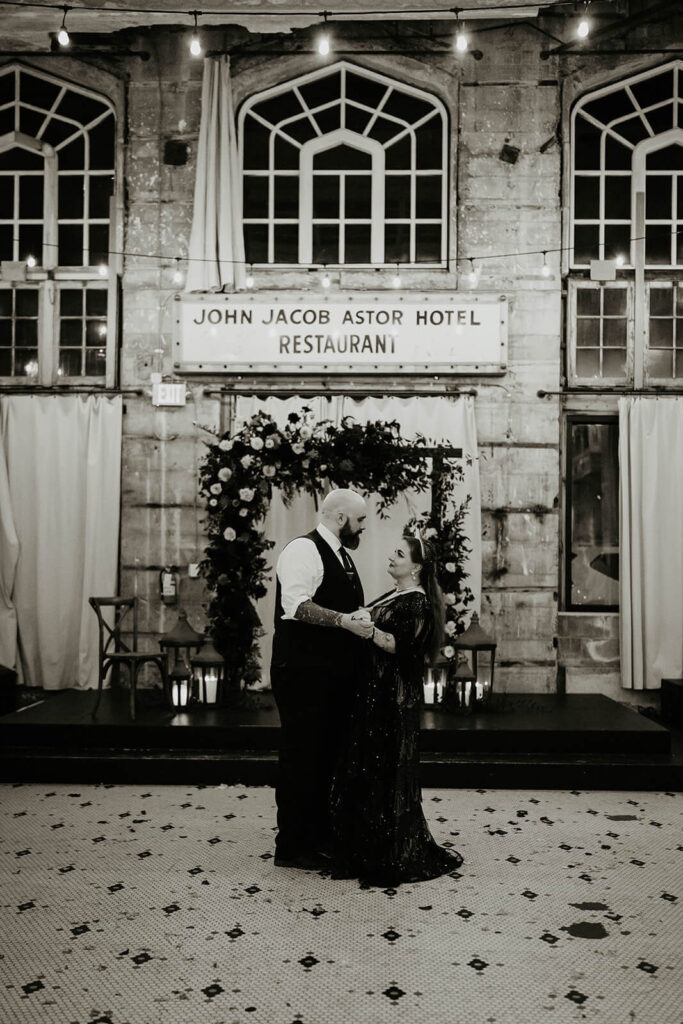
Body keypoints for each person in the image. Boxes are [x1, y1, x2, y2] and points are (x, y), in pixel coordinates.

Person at [330, 532, 464, 886]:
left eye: (400, 554)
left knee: (384, 770)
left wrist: (367, 629)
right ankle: (363, 847)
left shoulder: (417, 603)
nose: (392, 557)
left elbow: (402, 647)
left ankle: (383, 853)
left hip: (391, 697)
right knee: (370, 767)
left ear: (416, 568)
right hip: (374, 692)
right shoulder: (398, 594)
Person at [270, 487, 374, 870]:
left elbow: (338, 601)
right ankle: (293, 846)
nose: (364, 526)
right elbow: (296, 606)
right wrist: (345, 621)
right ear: (342, 518)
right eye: (361, 519)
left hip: (328, 676)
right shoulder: (303, 549)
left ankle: (317, 836)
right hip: (302, 674)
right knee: (302, 758)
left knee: (324, 758)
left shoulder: (340, 554)